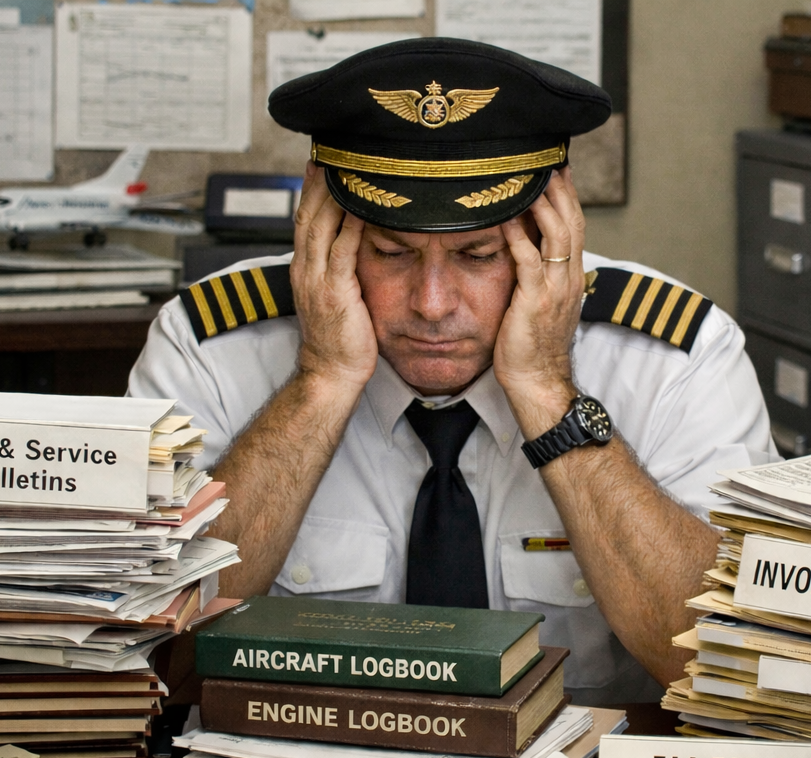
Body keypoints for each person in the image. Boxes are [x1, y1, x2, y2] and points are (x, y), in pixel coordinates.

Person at [129, 38, 777, 706]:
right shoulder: (209, 346)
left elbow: (732, 673)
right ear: (320, 231)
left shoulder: (674, 358)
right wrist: (319, 383)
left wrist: (548, 392)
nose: (432, 304)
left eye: (476, 254)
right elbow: (156, 668)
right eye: (390, 251)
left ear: (553, 238)